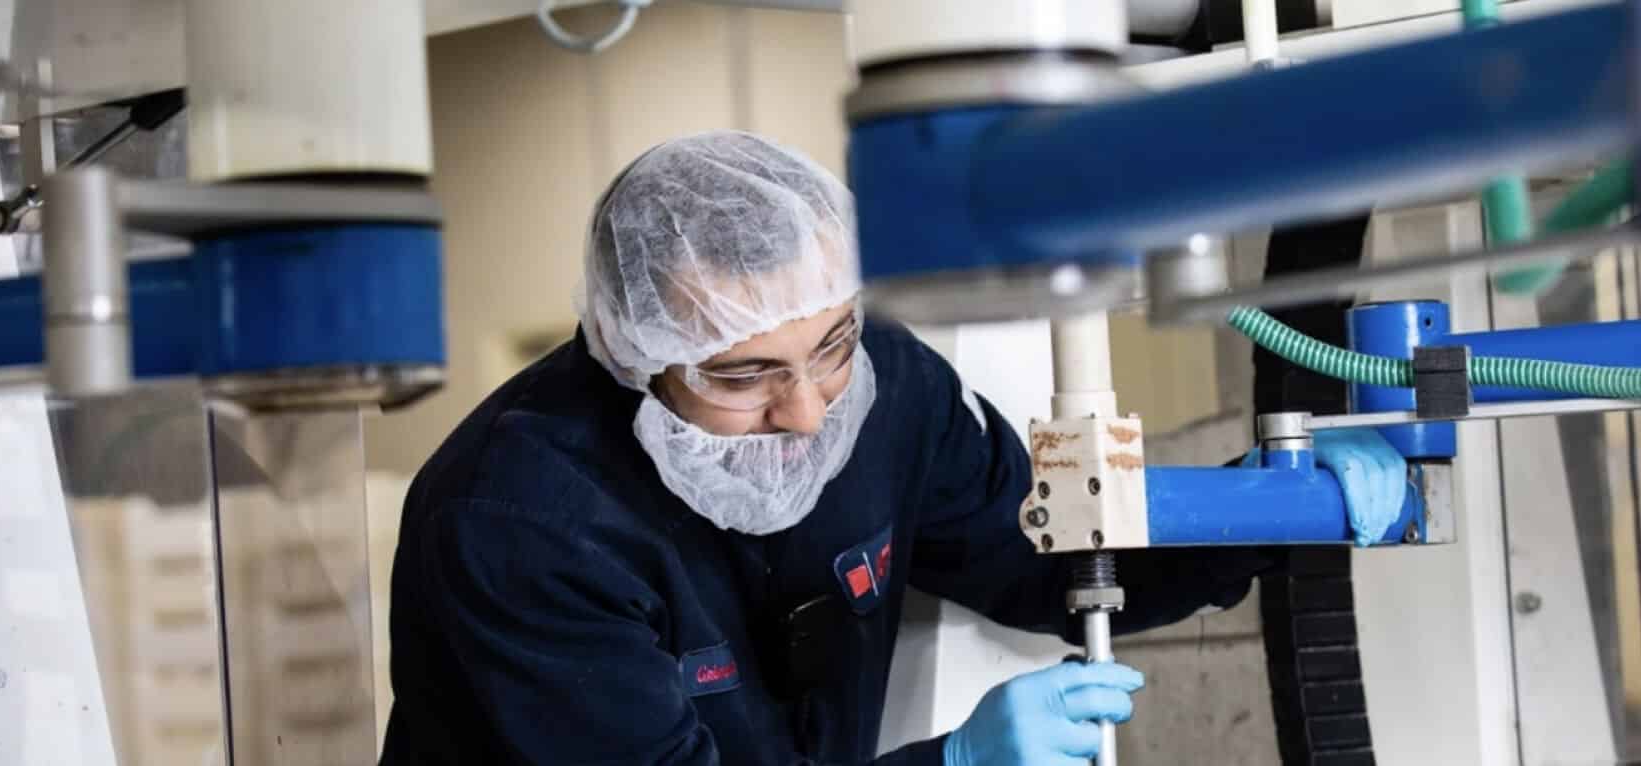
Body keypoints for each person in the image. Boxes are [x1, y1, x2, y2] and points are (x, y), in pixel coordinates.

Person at [377, 130, 1406, 765]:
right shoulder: (518, 523)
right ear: (632, 350)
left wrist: (1273, 511)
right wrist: (955, 762)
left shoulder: (892, 392)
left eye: (832, 345)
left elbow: (1051, 557)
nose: (810, 409)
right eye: (744, 377)